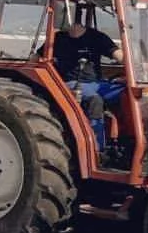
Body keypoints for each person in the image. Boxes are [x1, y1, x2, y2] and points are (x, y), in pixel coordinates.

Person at [47, 22, 125, 153]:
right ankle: (97, 149)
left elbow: (120, 56)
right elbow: (38, 57)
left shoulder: (97, 37)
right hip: (71, 83)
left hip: (98, 83)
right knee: (95, 100)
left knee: (128, 94)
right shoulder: (58, 38)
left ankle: (125, 140)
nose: (74, 24)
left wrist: (138, 66)